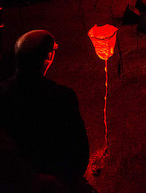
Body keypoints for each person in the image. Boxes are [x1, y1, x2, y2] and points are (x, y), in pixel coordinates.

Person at [0, 30, 89, 190]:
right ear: (49, 57)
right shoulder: (62, 97)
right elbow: (80, 151)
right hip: (51, 180)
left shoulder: (2, 91)